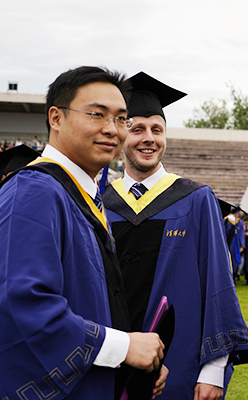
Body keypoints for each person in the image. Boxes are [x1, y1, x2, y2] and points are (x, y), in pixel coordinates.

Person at [0, 66, 166, 400]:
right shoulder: (35, 191)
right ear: (56, 118)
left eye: (121, 119)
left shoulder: (81, 196)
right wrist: (123, 347)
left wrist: (131, 361)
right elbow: (21, 305)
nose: (112, 129)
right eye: (96, 114)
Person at [103, 72, 248, 399]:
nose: (149, 138)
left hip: (179, 365)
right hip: (109, 362)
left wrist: (214, 369)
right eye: (137, 129)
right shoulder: (100, 202)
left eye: (157, 130)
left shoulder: (195, 199)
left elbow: (217, 283)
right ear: (120, 135)